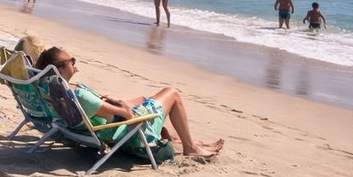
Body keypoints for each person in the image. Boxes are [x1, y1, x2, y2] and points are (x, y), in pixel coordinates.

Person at [35, 45, 224, 158]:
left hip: (95, 128)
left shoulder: (51, 92)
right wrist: (121, 103)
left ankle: (189, 141)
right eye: (72, 61)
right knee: (172, 93)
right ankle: (190, 147)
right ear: (60, 68)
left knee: (144, 99)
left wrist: (109, 99)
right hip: (124, 133)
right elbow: (127, 115)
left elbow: (95, 108)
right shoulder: (79, 96)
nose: (74, 63)